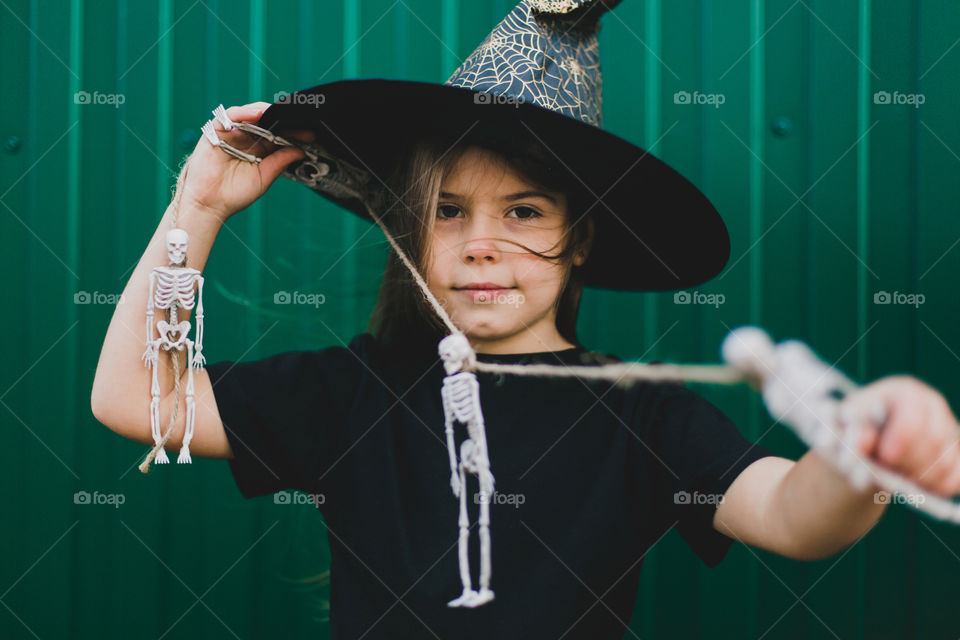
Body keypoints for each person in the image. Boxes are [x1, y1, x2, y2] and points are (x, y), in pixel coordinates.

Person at [91, 1, 960, 638]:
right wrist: (197, 206)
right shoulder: (350, 395)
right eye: (448, 210)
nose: (481, 244)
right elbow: (132, 397)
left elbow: (791, 517)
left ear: (580, 238)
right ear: (406, 230)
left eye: (525, 212)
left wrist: (861, 456)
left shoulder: (643, 413)